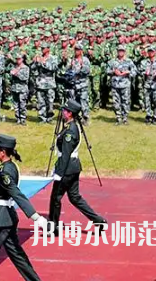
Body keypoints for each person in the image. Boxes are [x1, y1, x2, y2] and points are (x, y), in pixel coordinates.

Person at [0, 134, 47, 281]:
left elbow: (16, 193)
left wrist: (35, 217)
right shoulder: (8, 167)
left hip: (0, 219)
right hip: (7, 217)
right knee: (17, 254)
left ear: (2, 151)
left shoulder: (5, 172)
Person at [48, 100, 107, 235]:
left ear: (70, 113)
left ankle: (53, 227)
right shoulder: (71, 126)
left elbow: (66, 154)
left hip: (67, 168)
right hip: (73, 167)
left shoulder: (70, 131)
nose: (62, 112)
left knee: (55, 198)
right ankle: (98, 221)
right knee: (74, 197)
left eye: (65, 111)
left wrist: (59, 172)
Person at [106, 45, 136, 125]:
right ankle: (118, 118)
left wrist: (127, 72)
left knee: (125, 102)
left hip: (125, 85)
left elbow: (135, 72)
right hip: (115, 85)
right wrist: (113, 71)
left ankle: (125, 118)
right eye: (119, 51)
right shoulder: (112, 61)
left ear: (125, 52)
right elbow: (107, 71)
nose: (120, 52)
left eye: (122, 51)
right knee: (116, 102)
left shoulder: (129, 61)